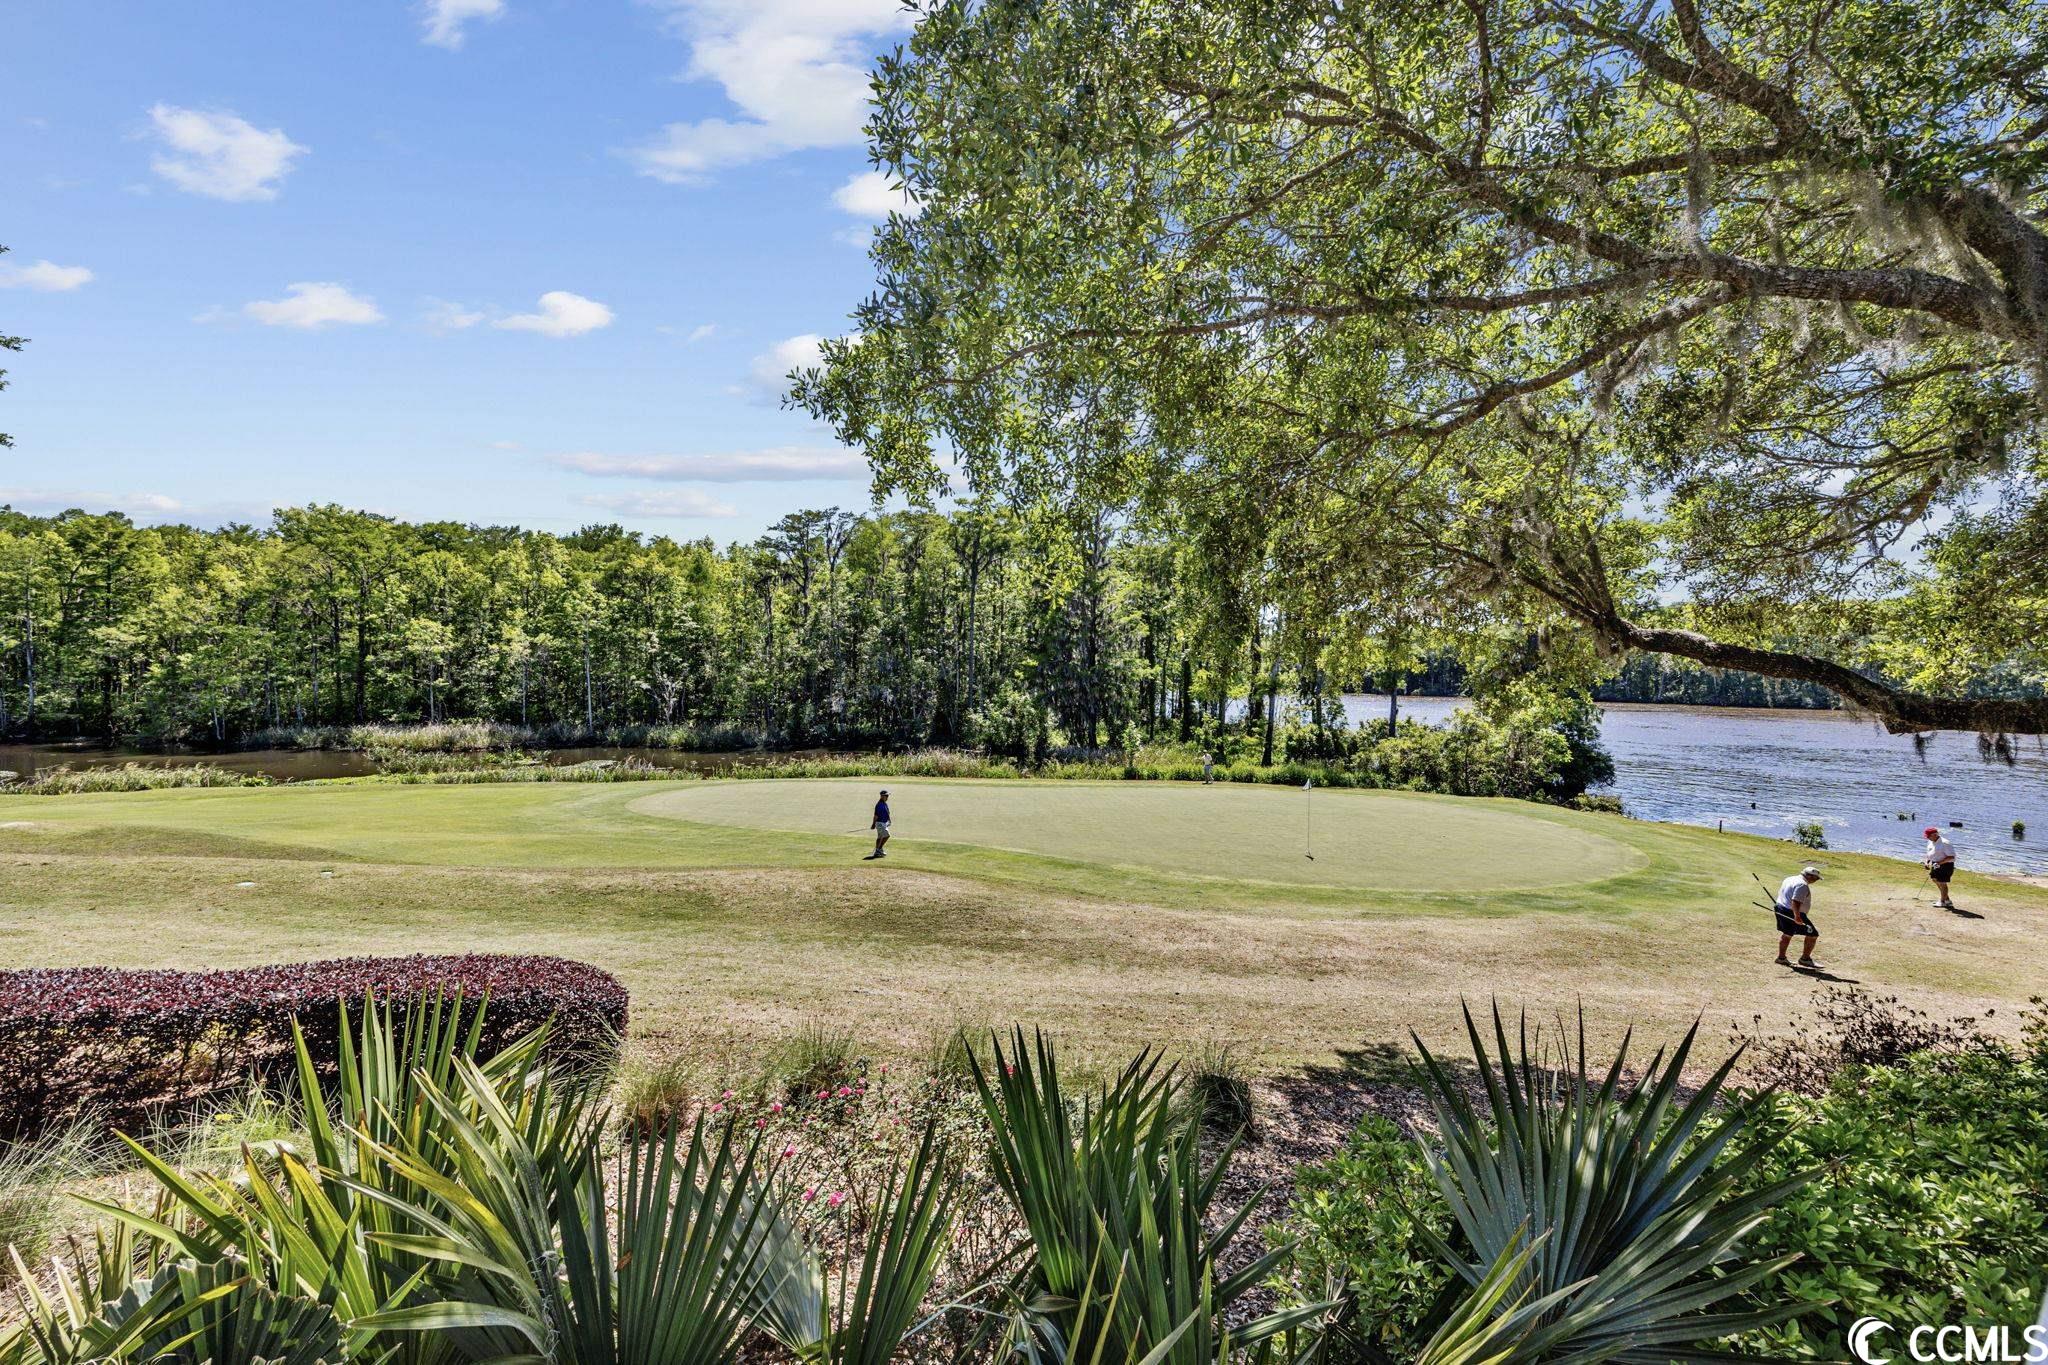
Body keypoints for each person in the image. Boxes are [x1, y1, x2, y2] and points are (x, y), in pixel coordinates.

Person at [1774, 865, 1823, 969]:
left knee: (1787, 934)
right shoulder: (1802, 885)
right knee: (1813, 935)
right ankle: (1805, 959)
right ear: (1810, 876)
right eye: (1815, 878)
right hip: (1792, 912)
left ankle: (1781, 958)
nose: (1815, 881)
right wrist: (1797, 916)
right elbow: (1795, 901)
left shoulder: (1790, 878)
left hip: (1781, 907)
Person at [1923, 826, 1958, 909]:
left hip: (1945, 865)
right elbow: (1929, 854)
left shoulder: (1945, 843)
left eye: (1928, 836)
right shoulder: (1930, 841)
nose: (1927, 838)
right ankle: (1947, 900)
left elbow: (1951, 857)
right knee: (1935, 880)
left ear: (1935, 834)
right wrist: (1927, 862)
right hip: (1935, 864)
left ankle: (1942, 902)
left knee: (1942, 883)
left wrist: (1939, 863)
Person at [865, 788, 891, 860]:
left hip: (883, 823)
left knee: (881, 836)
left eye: (887, 796)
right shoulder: (879, 805)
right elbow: (876, 815)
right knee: (886, 835)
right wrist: (873, 824)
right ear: (882, 796)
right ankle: (878, 849)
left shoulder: (884, 804)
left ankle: (878, 850)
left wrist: (888, 820)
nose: (887, 797)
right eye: (886, 796)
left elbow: (887, 813)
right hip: (880, 823)